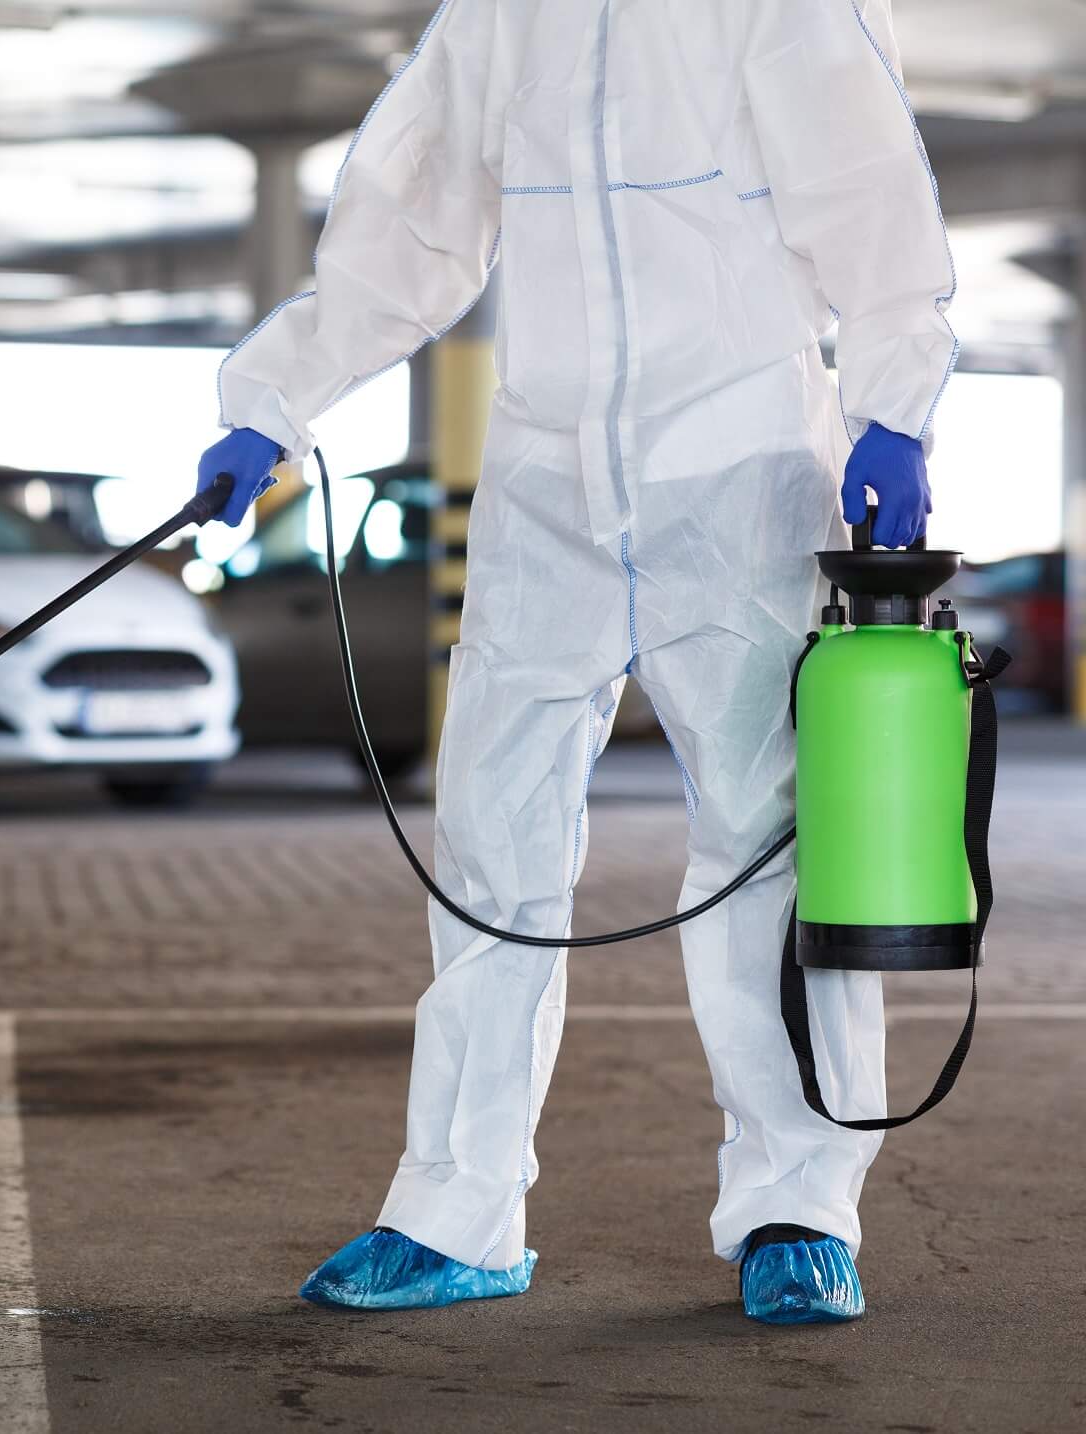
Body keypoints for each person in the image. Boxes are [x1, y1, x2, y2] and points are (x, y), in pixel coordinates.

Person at [202, 0, 953, 1325]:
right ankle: (453, 1208)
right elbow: (411, 214)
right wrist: (278, 397)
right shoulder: (503, 10)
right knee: (490, 832)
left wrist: (895, 405)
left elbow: (873, 191)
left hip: (739, 462)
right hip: (548, 472)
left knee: (767, 840)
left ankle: (798, 1205)